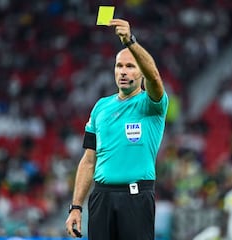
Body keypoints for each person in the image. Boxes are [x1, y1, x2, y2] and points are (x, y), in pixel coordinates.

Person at [65, 18, 169, 240]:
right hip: (102, 196)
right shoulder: (101, 107)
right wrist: (76, 207)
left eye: (130, 66)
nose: (123, 71)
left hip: (137, 197)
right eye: (119, 66)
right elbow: (88, 160)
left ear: (140, 72)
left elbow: (155, 77)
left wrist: (130, 41)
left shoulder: (151, 105)